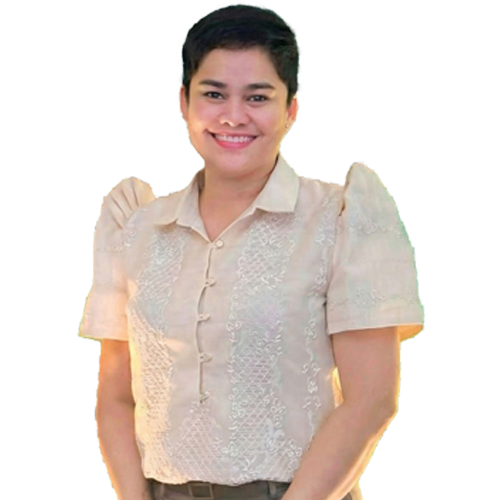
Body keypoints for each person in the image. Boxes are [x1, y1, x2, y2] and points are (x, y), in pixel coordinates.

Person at [79, 5, 424, 500]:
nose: (233, 115)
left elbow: (371, 401)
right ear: (184, 101)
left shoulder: (340, 219)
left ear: (291, 109)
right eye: (213, 94)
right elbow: (116, 396)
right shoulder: (138, 230)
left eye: (258, 97)